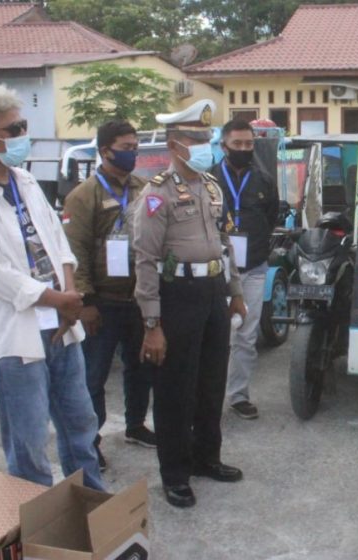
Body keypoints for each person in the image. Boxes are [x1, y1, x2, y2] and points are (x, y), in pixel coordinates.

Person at [0, 84, 103, 490]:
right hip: (16, 335)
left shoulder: (26, 181)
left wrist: (68, 299)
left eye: (23, 126)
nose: (23, 135)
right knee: (29, 440)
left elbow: (58, 245)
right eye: (13, 128)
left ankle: (91, 505)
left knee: (79, 421)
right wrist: (58, 299)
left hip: (60, 321)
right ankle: (38, 531)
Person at [131, 99, 247, 508]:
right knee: (175, 389)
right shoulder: (156, 194)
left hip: (213, 291)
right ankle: (175, 473)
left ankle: (206, 457)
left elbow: (225, 244)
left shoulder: (211, 187)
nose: (203, 145)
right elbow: (144, 260)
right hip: (176, 296)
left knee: (211, 382)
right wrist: (152, 323)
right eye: (194, 138)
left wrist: (235, 293)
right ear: (173, 143)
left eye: (206, 138)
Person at [63, 120, 155, 472]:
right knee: (93, 377)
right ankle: (91, 441)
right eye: (127, 146)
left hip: (137, 298)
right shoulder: (83, 195)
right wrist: (84, 303)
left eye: (135, 146)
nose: (133, 152)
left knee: (140, 367)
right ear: (105, 151)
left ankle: (135, 425)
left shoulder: (142, 187)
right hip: (102, 301)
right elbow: (75, 252)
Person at [212, 119, 279, 420]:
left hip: (253, 266)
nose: (243, 149)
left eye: (248, 144)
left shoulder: (264, 179)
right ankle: (210, 395)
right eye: (237, 144)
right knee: (217, 335)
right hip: (217, 268)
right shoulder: (209, 179)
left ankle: (239, 395)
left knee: (246, 335)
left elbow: (271, 215)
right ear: (223, 146)